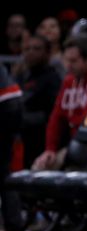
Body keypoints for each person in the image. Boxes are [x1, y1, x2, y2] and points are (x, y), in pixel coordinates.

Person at [32, 35, 87, 170]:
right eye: (66, 60)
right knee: (40, 166)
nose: (68, 66)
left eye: (73, 61)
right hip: (74, 144)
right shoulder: (69, 81)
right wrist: (50, 149)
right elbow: (56, 117)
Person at [14, 35, 62, 168]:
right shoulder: (19, 77)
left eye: (36, 49)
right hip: (21, 139)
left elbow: (52, 114)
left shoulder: (53, 79)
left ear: (47, 53)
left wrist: (22, 119)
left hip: (41, 140)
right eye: (27, 48)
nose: (31, 52)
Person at [0, 65, 23, 231]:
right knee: (4, 172)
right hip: (10, 100)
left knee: (4, 172)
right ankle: (14, 229)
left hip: (5, 101)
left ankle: (14, 229)